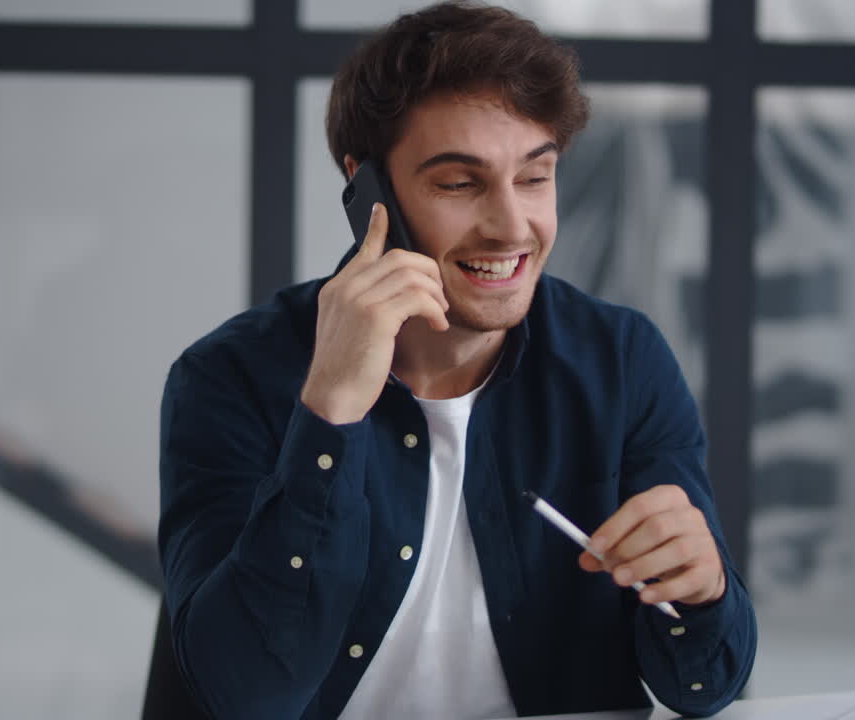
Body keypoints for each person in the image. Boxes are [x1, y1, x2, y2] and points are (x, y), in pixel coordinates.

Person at [157, 3, 757, 718]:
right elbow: (247, 696)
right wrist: (331, 410)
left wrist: (703, 589)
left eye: (535, 177)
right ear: (366, 188)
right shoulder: (231, 378)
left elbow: (704, 689)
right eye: (459, 183)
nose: (511, 226)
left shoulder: (621, 362)